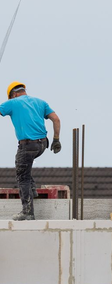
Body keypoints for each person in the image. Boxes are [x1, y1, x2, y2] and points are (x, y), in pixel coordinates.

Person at [0, 82, 62, 220]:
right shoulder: (40, 102)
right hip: (42, 144)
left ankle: (27, 212)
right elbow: (56, 119)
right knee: (25, 167)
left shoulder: (13, 102)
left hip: (27, 146)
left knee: (22, 176)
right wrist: (56, 139)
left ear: (13, 94)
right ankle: (32, 189)